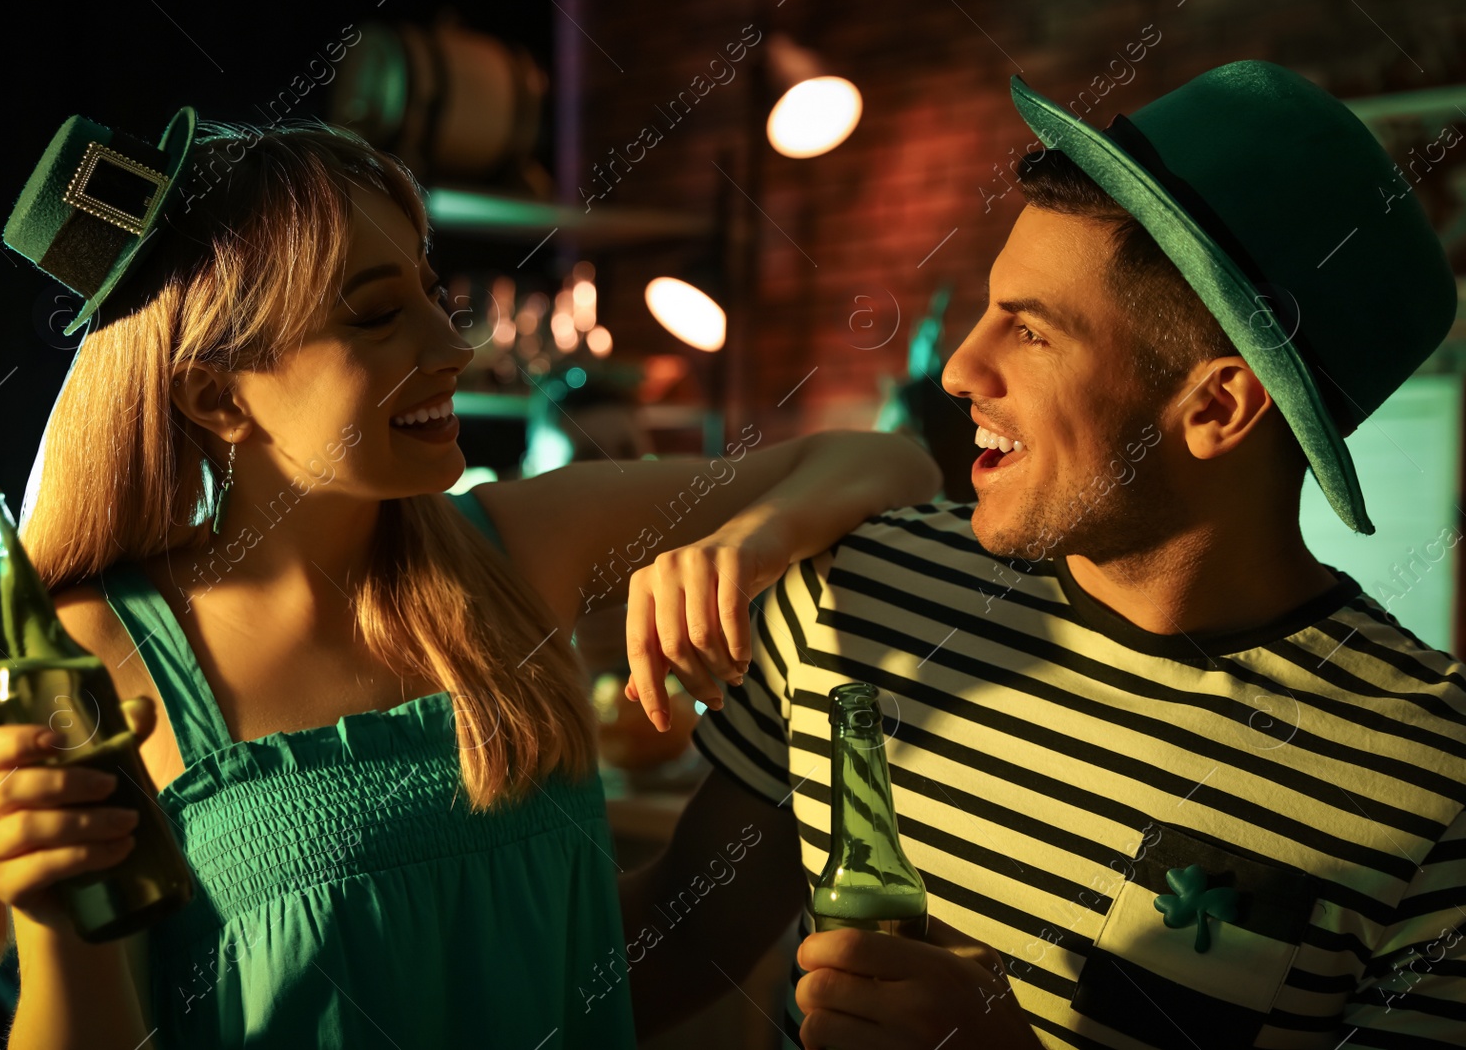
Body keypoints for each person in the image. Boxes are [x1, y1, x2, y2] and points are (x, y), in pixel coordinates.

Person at [0, 109, 943, 1049]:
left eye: (429, 289)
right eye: (376, 317)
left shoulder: (519, 543)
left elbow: (887, 465)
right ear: (216, 393)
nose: (451, 344)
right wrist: (53, 911)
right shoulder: (84, 655)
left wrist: (749, 541)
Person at [619, 60, 1466, 1048]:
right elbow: (656, 960)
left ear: (1216, 405)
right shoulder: (855, 600)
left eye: (1029, 331)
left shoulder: (1430, 786)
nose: (960, 367)